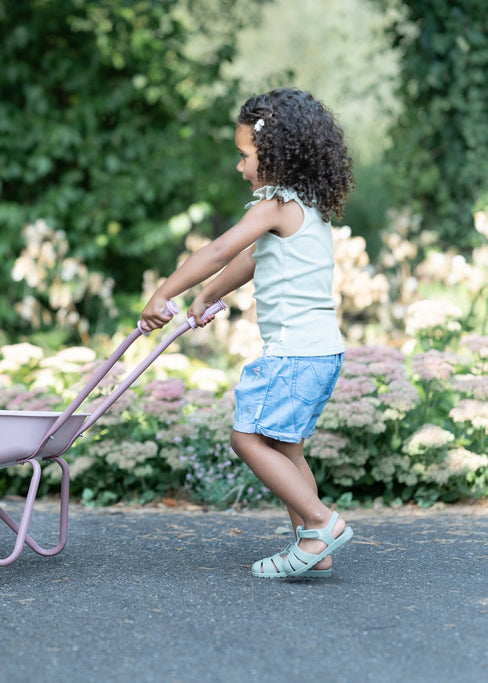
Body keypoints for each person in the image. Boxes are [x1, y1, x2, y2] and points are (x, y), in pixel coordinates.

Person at [140, 88, 355, 578]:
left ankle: (323, 523)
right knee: (286, 447)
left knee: (247, 439)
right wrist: (208, 295)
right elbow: (250, 261)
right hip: (321, 351)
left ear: (275, 155)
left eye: (245, 156)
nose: (240, 168)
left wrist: (164, 292)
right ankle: (313, 546)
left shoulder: (274, 206)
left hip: (294, 354)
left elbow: (218, 250)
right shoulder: (306, 207)